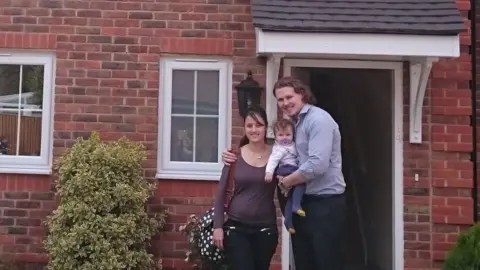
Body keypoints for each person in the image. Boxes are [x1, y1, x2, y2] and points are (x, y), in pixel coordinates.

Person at [222, 77, 347, 270]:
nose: (285, 103)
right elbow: (281, 153)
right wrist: (233, 155)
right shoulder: (294, 124)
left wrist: (287, 181)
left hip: (325, 204)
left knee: (326, 262)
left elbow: (317, 164)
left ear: (302, 94)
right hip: (304, 204)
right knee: (305, 262)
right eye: (280, 100)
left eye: (289, 97)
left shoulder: (318, 120)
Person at [212, 105, 278, 270]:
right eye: (249, 125)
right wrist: (218, 226)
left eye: (259, 125)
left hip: (266, 228)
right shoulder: (234, 156)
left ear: (266, 128)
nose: (254, 129)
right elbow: (221, 193)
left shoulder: (277, 156)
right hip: (236, 228)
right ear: (244, 128)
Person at [264, 118, 305, 234]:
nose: (284, 138)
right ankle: (297, 205)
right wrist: (269, 172)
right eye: (281, 135)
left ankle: (289, 221)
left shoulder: (294, 145)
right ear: (275, 136)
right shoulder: (278, 149)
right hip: (286, 170)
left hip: (292, 169)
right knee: (302, 182)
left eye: (288, 134)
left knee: (289, 198)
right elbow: (273, 160)